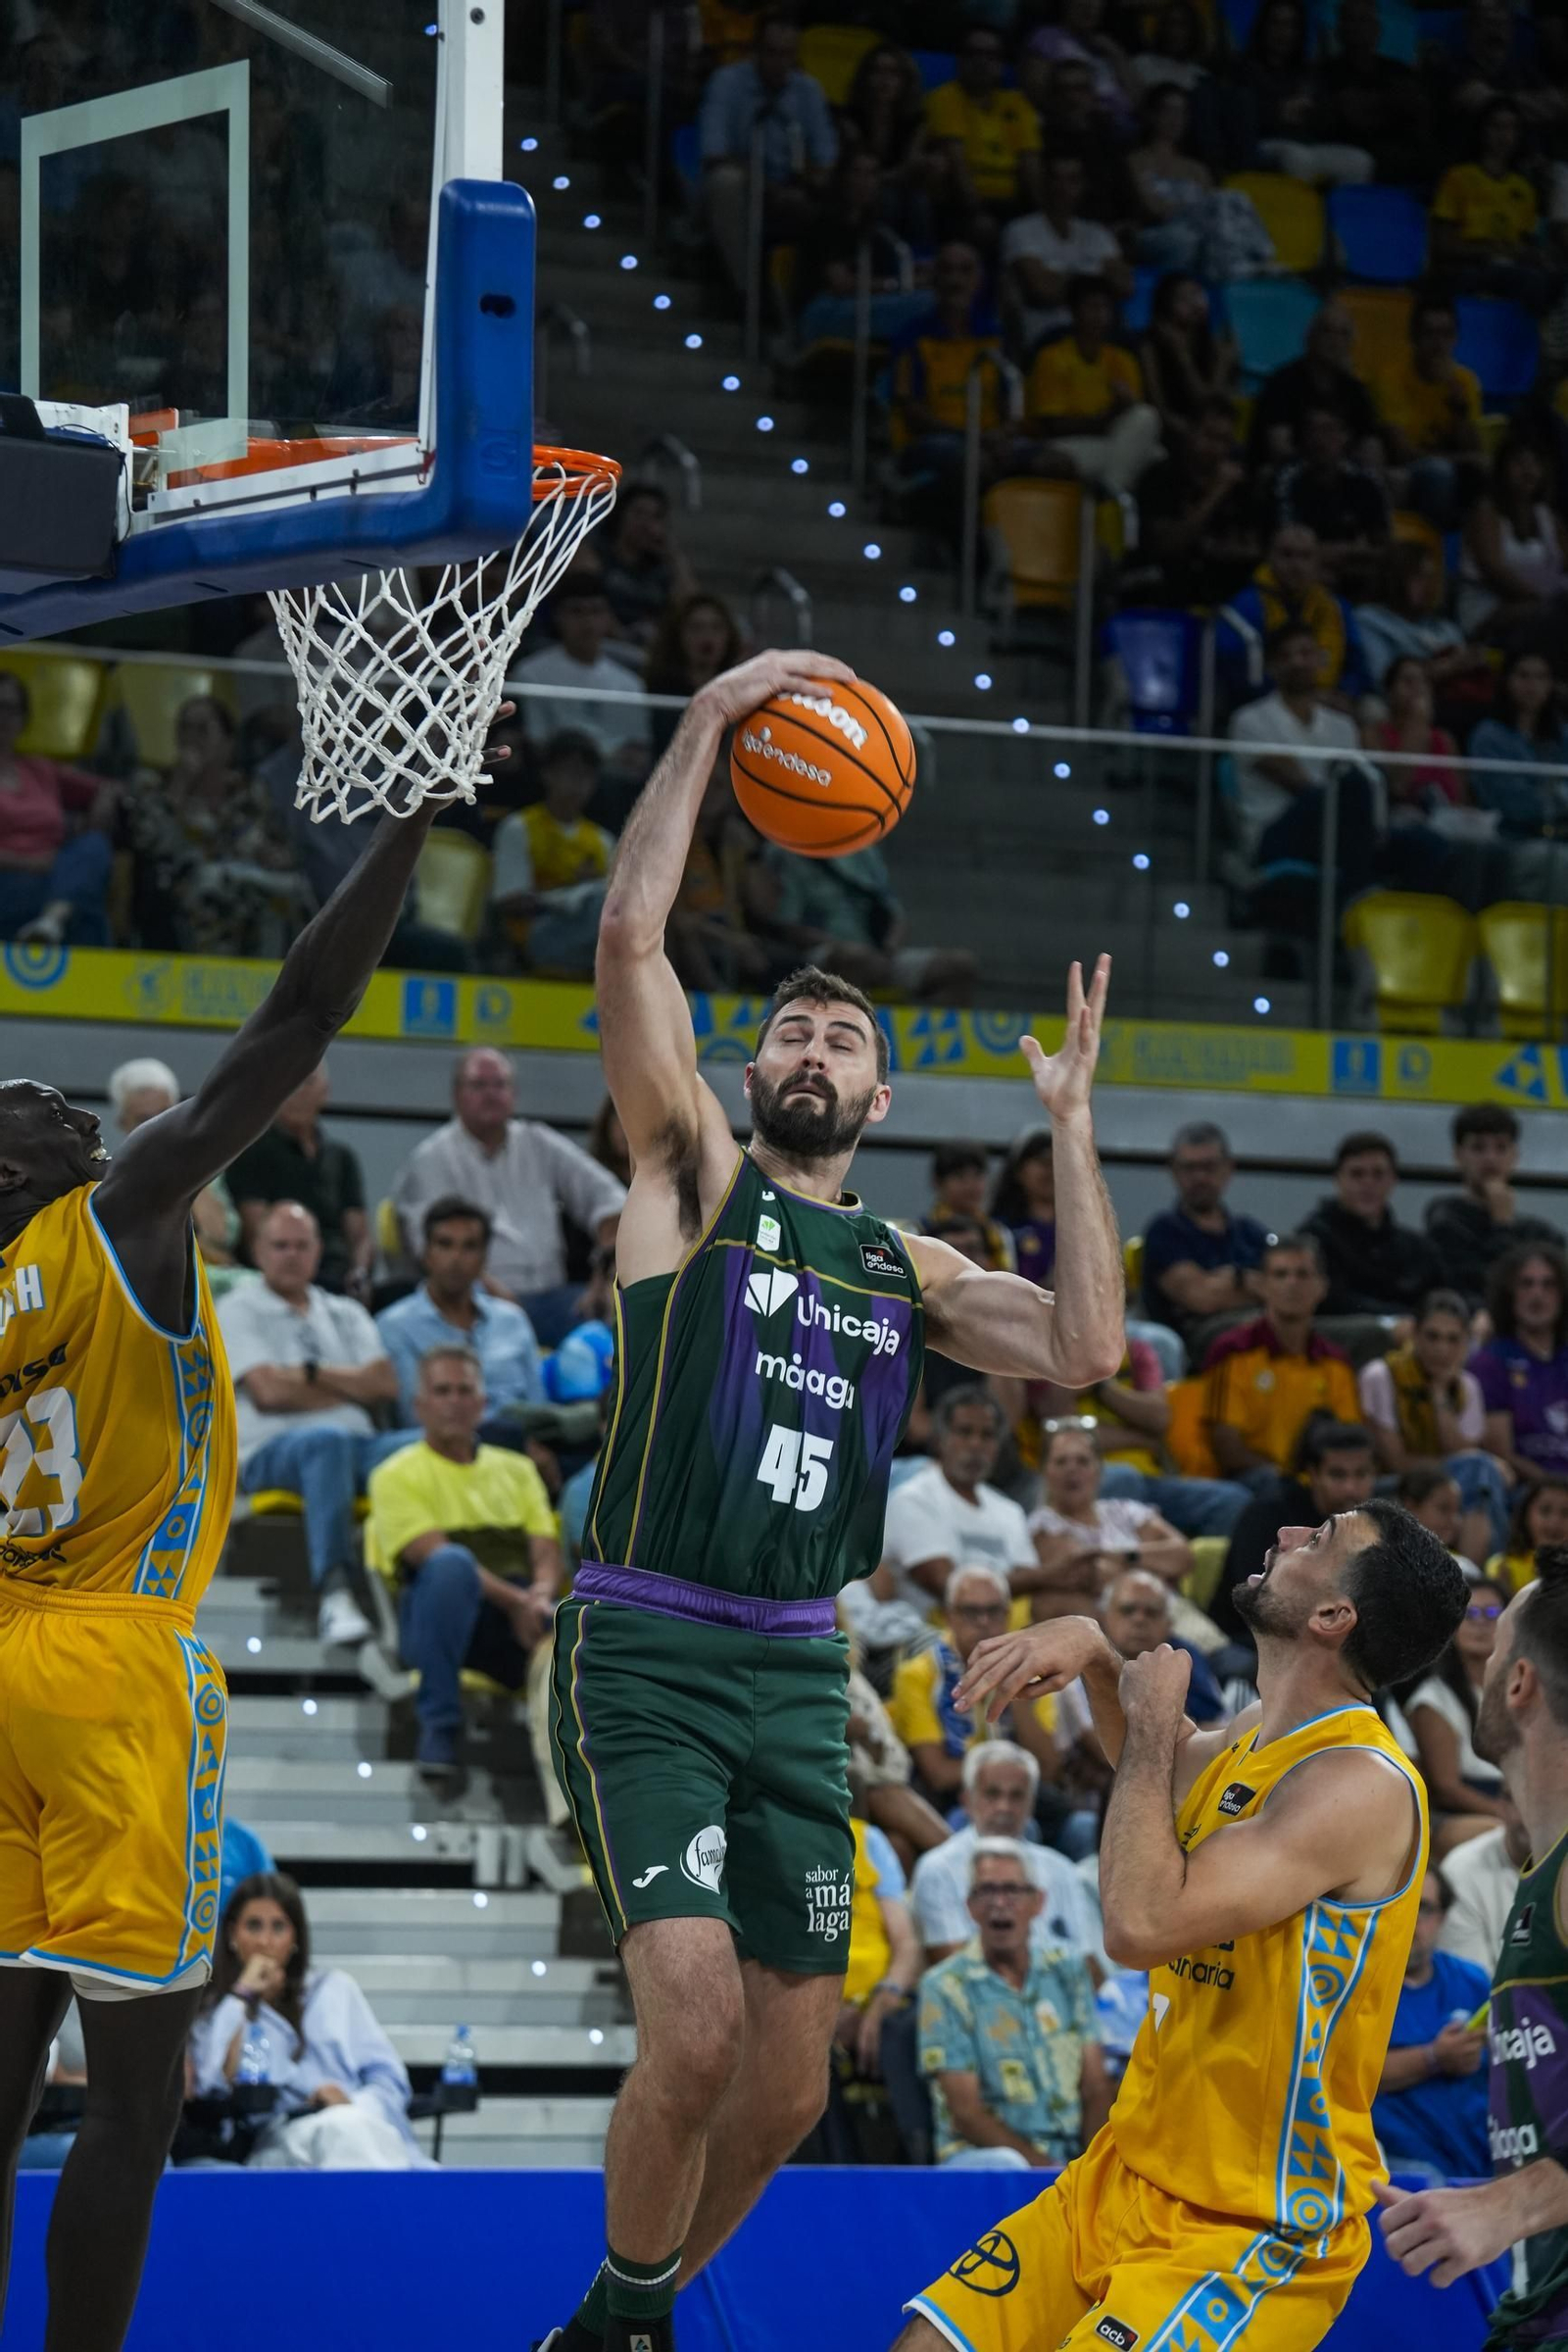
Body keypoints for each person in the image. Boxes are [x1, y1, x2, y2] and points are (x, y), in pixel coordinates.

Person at [538, 644, 1124, 2352]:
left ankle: (627, 2310)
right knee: (697, 2030)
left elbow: (1086, 1349)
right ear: (750, 1077)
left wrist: (1072, 1128)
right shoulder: (691, 1179)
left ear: (877, 1098)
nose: (811, 1046)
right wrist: (708, 724)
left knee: (791, 2088)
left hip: (802, 1666)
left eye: (843, 1038)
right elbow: (630, 942)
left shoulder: (903, 1262)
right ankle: (626, 2326)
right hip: (649, 1648)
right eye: (788, 1029)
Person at [0, 713, 473, 2348]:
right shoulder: (116, 1214)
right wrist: (406, 824)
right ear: (24, 1175)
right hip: (114, 1664)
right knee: (139, 2102)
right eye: (33, 1109)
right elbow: (300, 1014)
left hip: (4, 1663)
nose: (62, 1107)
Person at [897, 1496, 1467, 2352]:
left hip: (1249, 2224)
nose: (1284, 1534)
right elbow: (1159, 1776)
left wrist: (1155, 1719)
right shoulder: (1256, 1736)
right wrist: (1099, 1658)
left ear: (1333, 1616)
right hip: (1124, 2171)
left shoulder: (1359, 1784)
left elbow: (1138, 1923)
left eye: (1316, 1539)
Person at [1375, 1548, 1568, 2315]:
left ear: (1519, 1682)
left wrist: (1507, 2204)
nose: (1478, 1667)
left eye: (1494, 1652)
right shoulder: (1539, 1869)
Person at [366, 1344, 560, 1795]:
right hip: (440, 1621)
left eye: (464, 1390)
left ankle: (583, 1798)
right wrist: (519, 1603)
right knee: (451, 1566)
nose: (453, 1401)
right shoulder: (393, 1475)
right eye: (442, 1391)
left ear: (482, 1402)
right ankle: (439, 1727)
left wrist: (540, 1597)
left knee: (589, 1624)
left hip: (515, 1615)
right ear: (419, 1405)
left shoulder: (518, 1469)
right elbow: (430, 1552)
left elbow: (546, 1549)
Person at [219, 1200, 407, 1648]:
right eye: (280, 1245)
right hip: (269, 1452)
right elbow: (268, 1391)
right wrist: (350, 1384)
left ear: (318, 1251)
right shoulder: (236, 1308)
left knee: (424, 1447)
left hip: (359, 1446)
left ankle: (419, 1587)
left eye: (301, 1246)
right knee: (327, 1442)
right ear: (258, 1251)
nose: (291, 1255)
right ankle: (335, 1594)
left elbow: (384, 1384)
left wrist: (307, 1373)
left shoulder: (345, 1311)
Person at [188, 1874, 428, 2169]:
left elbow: (389, 2079)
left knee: (347, 2128)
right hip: (279, 2139)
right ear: (231, 1934)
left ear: (295, 1939)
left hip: (362, 2125)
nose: (265, 1941)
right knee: (339, 2133)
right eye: (253, 1926)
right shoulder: (214, 2008)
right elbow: (208, 2080)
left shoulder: (335, 1989)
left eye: (278, 1927)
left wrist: (350, 2102)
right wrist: (244, 1995)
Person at [393, 1047, 626, 1347]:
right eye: (478, 1085)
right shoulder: (430, 1159)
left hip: (555, 1298)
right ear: (456, 1094)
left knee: (615, 1326)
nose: (490, 1094)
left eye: (499, 1084)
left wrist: (603, 1276)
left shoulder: (538, 1141)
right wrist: (500, 1300)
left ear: (514, 1093)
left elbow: (613, 1202)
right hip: (477, 1300)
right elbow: (430, 1249)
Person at [920, 1839, 1110, 2171]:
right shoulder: (945, 1986)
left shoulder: (1068, 1970)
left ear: (1038, 1903)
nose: (999, 1902)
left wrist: (1088, 2168)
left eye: (1012, 1889)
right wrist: (1049, 2173)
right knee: (1009, 2165)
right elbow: (966, 2113)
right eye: (986, 1891)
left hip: (1069, 2159)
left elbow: (1095, 2085)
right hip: (978, 2159)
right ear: (970, 1907)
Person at [863, 1386, 1039, 1659]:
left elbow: (1029, 1589)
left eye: (987, 1435)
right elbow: (947, 1586)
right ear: (940, 1439)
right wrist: (1053, 1576)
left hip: (1002, 1634)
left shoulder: (1009, 1510)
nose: (976, 1444)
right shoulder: (913, 1499)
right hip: (929, 1641)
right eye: (964, 1432)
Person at [909, 1742, 1104, 1968]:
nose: (1004, 1807)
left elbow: (1088, 1964)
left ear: (1031, 1804)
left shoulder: (1061, 1869)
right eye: (992, 1794)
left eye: (1017, 1796)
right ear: (967, 1801)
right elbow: (956, 1971)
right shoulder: (938, 1869)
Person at [889, 1564, 1064, 1809]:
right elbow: (938, 1775)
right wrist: (1004, 1771)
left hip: (1020, 1800)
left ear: (1007, 1615)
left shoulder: (1032, 1670)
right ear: (949, 1616)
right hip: (952, 1803)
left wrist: (1014, 1686)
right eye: (971, 1612)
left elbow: (1049, 1768)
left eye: (993, 1611)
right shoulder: (918, 1675)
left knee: (1074, 1820)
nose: (983, 1621)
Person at [1358, 1288, 1508, 1562]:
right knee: (1482, 1470)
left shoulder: (1467, 1386)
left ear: (1466, 1343)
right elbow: (1396, 1461)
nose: (1442, 1349)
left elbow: (1461, 1453)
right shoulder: (1381, 1375)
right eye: (1433, 1336)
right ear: (1415, 1335)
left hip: (1445, 1488)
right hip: (1391, 1487)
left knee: (1482, 1478)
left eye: (1453, 1339)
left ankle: (1474, 1572)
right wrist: (1479, 1462)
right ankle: (1478, 1575)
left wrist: (1439, 1395)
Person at [1202, 1234, 1360, 1487]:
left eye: (1302, 1274)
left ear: (1322, 1287)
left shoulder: (1336, 1361)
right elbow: (1227, 1448)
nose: (1292, 1284)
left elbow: (1350, 1442)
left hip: (1324, 1484)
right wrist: (1290, 1480)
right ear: (1263, 1285)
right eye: (1280, 1274)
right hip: (1255, 1483)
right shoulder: (1233, 1350)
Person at [698, 10, 837, 297]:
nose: (779, 62)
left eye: (787, 54)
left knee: (847, 187)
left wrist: (808, 183)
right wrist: (767, 186)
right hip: (745, 183)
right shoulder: (727, 82)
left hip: (793, 186)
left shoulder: (808, 90)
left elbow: (826, 155)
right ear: (756, 51)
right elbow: (714, 153)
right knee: (725, 181)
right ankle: (748, 291)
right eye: (772, 52)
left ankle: (817, 298)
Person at [375, 1196, 544, 1426]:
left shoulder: (512, 1320)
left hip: (519, 1440)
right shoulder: (394, 1327)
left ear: (484, 1258)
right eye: (445, 1245)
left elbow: (540, 1407)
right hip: (443, 1442)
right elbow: (415, 1417)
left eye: (469, 1247)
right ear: (426, 1254)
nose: (456, 1258)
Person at [1210, 1416, 1379, 1645]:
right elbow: (1258, 1601)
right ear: (1313, 1474)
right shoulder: (1269, 1515)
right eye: (1337, 1475)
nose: (1350, 1488)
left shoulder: (1377, 1520)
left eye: (1361, 1474)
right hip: (1249, 1639)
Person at [1226, 622, 1370, 884]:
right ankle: (1357, 889)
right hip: (1273, 833)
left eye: (1305, 653)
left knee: (1417, 842)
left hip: (1335, 829)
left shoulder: (1343, 725)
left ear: (1322, 660)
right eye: (1286, 656)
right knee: (1349, 791)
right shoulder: (1249, 720)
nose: (1297, 662)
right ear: (1271, 667)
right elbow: (1300, 785)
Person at [1372, 1868, 1492, 2179]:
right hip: (1401, 2172)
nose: (1410, 1919)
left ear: (1442, 1918)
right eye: (1401, 1904)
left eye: (1423, 1908)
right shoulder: (1360, 1986)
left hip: (1480, 2165)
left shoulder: (1473, 1981)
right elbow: (1343, 2076)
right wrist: (1434, 2058)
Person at [225, 1062, 370, 1298]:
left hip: (339, 1279)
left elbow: (360, 1235)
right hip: (280, 1277)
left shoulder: (342, 1157)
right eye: (288, 1081)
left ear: (325, 1091)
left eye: (307, 1081)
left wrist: (360, 1273)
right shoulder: (251, 1153)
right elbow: (257, 1234)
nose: (297, 1090)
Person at [888, 241, 1004, 533]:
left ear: (979, 279)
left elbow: (1013, 407)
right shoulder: (912, 336)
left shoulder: (996, 338)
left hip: (986, 441)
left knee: (1051, 462)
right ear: (935, 279)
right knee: (973, 463)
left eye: (965, 271)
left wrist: (1004, 434)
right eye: (947, 270)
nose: (956, 280)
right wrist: (971, 437)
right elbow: (912, 412)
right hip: (930, 443)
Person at [1026, 1422, 1197, 1616]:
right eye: (1061, 1462)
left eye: (1083, 1461)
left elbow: (1184, 1556)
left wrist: (1123, 1556)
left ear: (1098, 1471)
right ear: (1044, 1472)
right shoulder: (1042, 1525)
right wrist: (1157, 1566)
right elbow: (1095, 1576)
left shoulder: (1125, 1510)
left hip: (1173, 1611)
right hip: (1119, 1621)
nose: (1072, 1470)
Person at [0, 666, 114, 946]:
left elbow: (107, 787)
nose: (2, 716)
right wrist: (32, 863)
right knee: (85, 908)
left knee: (95, 845)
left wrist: (100, 809)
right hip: (9, 878)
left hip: (55, 876)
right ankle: (55, 919)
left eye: (11, 709)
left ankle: (52, 921)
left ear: (23, 719)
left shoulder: (40, 770)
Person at [106, 1056, 240, 1293]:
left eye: (165, 1113)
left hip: (214, 1279)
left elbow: (221, 1235)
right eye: (144, 1119)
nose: (158, 1125)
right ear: (122, 1123)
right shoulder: (111, 1178)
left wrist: (186, 1167)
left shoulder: (205, 1164)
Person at [1022, 277, 1163, 501]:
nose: (1099, 315)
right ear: (1073, 312)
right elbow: (1053, 426)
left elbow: (1137, 422)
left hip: (1113, 442)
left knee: (1148, 422)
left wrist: (1124, 408)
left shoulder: (1123, 360)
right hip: (1066, 444)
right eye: (1092, 307)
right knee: (1149, 455)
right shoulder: (1051, 358)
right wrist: (1110, 415)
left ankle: (1109, 491)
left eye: (1105, 308)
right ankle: (1112, 500)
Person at [490, 729, 616, 977]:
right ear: (547, 774)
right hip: (534, 936)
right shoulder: (519, 828)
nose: (577, 785)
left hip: (590, 938)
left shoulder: (603, 840)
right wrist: (567, 897)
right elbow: (509, 900)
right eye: (569, 773)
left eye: (586, 776)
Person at [1140, 1119, 1269, 1357]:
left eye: (1209, 1167)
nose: (1199, 1177)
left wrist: (1231, 1281)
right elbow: (1202, 1299)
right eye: (1189, 1168)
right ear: (1174, 1171)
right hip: (1197, 1349)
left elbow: (1284, 1290)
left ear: (1228, 1169)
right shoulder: (1164, 1230)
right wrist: (1248, 1281)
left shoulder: (1250, 1232)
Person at [1401, 1577, 1512, 1844]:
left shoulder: (1523, 1686)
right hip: (1465, 1815)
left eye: (1492, 1613)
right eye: (1470, 1614)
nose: (1481, 1623)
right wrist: (1507, 1814)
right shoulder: (1433, 1699)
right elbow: (1447, 1788)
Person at [1425, 1102, 1565, 1312]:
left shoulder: (1539, 1232)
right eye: (1478, 1148)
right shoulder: (1445, 1221)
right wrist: (1502, 1225)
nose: (1490, 1158)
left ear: (1515, 1156)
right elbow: (1480, 1286)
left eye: (1501, 1147)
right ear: (1458, 1156)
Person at [1126, 88, 1274, 279]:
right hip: (1158, 231)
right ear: (1152, 115)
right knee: (1194, 230)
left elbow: (1218, 212)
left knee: (1235, 198)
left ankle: (1260, 258)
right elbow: (1153, 209)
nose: (1176, 119)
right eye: (1169, 111)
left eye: (1181, 113)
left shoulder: (1196, 168)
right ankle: (1236, 267)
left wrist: (1198, 212)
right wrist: (1195, 211)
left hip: (1197, 227)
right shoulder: (1137, 161)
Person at [511, 574, 652, 773]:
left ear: (608, 618)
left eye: (596, 611)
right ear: (558, 616)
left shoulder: (630, 683)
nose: (587, 621)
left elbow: (638, 750)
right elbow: (536, 741)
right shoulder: (530, 673)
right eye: (576, 611)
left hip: (614, 779)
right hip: (555, 775)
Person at [1301, 1130, 1446, 1321]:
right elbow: (1331, 1302)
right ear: (1338, 1179)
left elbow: (1445, 1297)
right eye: (1357, 1174)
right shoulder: (1313, 1242)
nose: (1367, 1183)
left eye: (1378, 1174)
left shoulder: (1419, 1250)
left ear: (1393, 1180)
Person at [1137, 394, 1261, 610]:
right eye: (1210, 436)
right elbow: (1166, 546)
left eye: (1224, 440)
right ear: (1190, 431)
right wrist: (1216, 493)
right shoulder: (1161, 477)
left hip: (1226, 596)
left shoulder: (1240, 485)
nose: (1216, 448)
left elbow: (1254, 547)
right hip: (1166, 593)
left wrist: (1225, 550)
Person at [1371, 292, 1484, 532]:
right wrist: (1463, 459)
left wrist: (1460, 412)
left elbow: (1475, 450)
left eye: (1446, 334)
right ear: (1414, 336)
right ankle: (1432, 543)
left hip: (1453, 472)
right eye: (1430, 333)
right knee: (1438, 472)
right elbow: (1402, 453)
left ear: (1455, 338)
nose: (1438, 343)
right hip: (1405, 473)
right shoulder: (1391, 379)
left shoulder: (1465, 381)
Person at [1001, 154, 1132, 358]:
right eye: (1056, 178)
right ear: (1044, 183)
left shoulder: (1098, 234)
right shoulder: (1020, 230)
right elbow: (1043, 290)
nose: (1063, 188)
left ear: (1083, 186)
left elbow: (1125, 286)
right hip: (1048, 336)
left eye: (1072, 180)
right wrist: (1095, 279)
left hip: (1101, 335)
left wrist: (1061, 279)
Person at [1225, 526, 1371, 707]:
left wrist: (1346, 692)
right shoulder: (1246, 605)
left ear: (1318, 562)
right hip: (1266, 702)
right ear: (1270, 557)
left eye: (1305, 556)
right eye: (1287, 555)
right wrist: (1301, 695)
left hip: (1330, 700)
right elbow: (1237, 669)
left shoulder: (1336, 606)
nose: (1296, 565)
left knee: (1372, 709)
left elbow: (1357, 665)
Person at [925, 24, 1043, 241]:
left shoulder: (1017, 102)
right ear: (960, 60)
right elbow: (957, 162)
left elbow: (1030, 164)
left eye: (991, 55)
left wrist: (1042, 216)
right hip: (963, 202)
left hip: (1012, 202)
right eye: (974, 53)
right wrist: (977, 213)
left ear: (1001, 63)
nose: (982, 61)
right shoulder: (945, 97)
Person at [1431, 97, 1547, 308]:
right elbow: (1443, 244)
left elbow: (1526, 245)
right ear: (1482, 130)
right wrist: (1488, 251)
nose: (1504, 135)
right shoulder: (1457, 177)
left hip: (1512, 270)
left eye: (1511, 128)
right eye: (1496, 126)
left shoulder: (1524, 188)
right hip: (1467, 268)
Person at [1240, 0, 1373, 183]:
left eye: (1290, 25)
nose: (1283, 32)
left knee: (1360, 161)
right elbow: (1241, 117)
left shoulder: (1308, 72)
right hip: (1265, 142)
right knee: (1298, 159)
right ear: (1264, 27)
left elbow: (1328, 117)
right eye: (1276, 23)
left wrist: (1311, 112)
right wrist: (1279, 111)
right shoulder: (1245, 69)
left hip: (1308, 141)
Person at [1459, 444, 1568, 661]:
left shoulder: (1549, 517)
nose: (1528, 470)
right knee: (1553, 615)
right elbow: (1493, 570)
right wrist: (1544, 599)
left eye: (1534, 463)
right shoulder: (1486, 512)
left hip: (1543, 604)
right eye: (1519, 462)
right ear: (1502, 469)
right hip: (1488, 607)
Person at [1271, 406, 1391, 602]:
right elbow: (1287, 548)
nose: (1320, 439)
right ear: (1304, 437)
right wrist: (1351, 551)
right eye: (1313, 430)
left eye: (1329, 430)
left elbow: (1384, 547)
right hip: (1303, 579)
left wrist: (1336, 553)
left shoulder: (1366, 481)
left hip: (1358, 578)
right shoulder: (1287, 480)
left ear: (1345, 436)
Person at [1474, 1246, 1568, 1489]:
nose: (1537, 1294)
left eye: (1549, 1284)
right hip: (1525, 1491)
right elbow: (1500, 1452)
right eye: (1526, 1284)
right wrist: (1557, 1488)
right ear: (1509, 1294)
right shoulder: (1490, 1362)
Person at [1249, 301, 1379, 470]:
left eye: (1343, 334)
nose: (1335, 340)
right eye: (1327, 331)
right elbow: (1279, 447)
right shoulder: (1282, 383)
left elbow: (1370, 443)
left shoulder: (1355, 391)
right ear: (1310, 337)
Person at [1355, 543, 1489, 703]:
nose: (1428, 585)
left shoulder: (1446, 628)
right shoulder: (1370, 620)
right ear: (1395, 578)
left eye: (1431, 577)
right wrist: (1447, 668)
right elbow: (1382, 682)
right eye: (1418, 577)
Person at [1469, 651, 1568, 838]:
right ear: (1507, 681)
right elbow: (1507, 800)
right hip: (1508, 835)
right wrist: (1558, 800)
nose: (1532, 685)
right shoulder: (1488, 736)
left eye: (1541, 677)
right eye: (1523, 675)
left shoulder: (1562, 735)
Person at [1135, 273, 1238, 451]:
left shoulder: (1213, 344)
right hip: (1168, 429)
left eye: (1197, 294)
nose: (1194, 303)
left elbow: (1214, 404)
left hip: (1207, 427)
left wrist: (1223, 364)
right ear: (1166, 306)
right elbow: (1159, 408)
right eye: (1183, 298)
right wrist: (1182, 357)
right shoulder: (1150, 346)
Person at [1361, 657, 1468, 816]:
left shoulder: (1445, 739)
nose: (1418, 689)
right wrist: (1418, 722)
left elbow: (1462, 800)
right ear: (1390, 691)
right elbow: (1397, 786)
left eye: (1424, 682)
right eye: (1409, 681)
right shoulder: (1373, 734)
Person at [597, 483, 696, 653]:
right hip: (606, 645)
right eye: (639, 513)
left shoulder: (661, 567)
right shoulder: (598, 554)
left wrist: (674, 557)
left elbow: (692, 606)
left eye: (655, 517)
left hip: (651, 648)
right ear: (620, 515)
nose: (646, 524)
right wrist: (623, 636)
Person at [1437, 1796, 1530, 1971]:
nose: (1536, 1819)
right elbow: (1471, 1981)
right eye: (1527, 1803)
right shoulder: (1463, 1869)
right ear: (1504, 1806)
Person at [922, 1143, 1013, 1272]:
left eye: (977, 1175)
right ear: (937, 1182)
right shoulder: (919, 1231)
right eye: (960, 1176)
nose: (970, 1185)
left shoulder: (999, 1234)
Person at [991, 1126, 1057, 1291]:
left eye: (1057, 1162)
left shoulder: (1082, 1231)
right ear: (1019, 1171)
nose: (1050, 1170)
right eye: (1042, 1162)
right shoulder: (998, 1230)